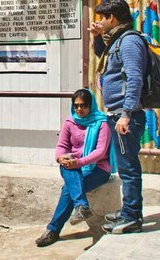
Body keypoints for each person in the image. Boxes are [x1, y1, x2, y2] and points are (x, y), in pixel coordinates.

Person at [91, 0, 148, 234]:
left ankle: (132, 217)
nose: (100, 23)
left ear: (111, 18)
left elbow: (134, 78)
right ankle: (128, 211)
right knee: (126, 167)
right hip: (119, 115)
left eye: (102, 19)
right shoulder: (117, 40)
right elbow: (102, 56)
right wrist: (96, 36)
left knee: (129, 169)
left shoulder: (129, 41)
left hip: (127, 117)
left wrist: (126, 114)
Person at [35, 89, 113, 247]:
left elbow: (100, 152)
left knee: (68, 190)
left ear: (91, 105)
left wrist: (78, 162)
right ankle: (81, 206)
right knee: (66, 165)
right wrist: (61, 157)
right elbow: (62, 146)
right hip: (75, 167)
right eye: (76, 105)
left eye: (83, 105)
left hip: (99, 168)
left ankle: (53, 230)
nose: (79, 109)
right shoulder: (70, 122)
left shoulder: (102, 123)